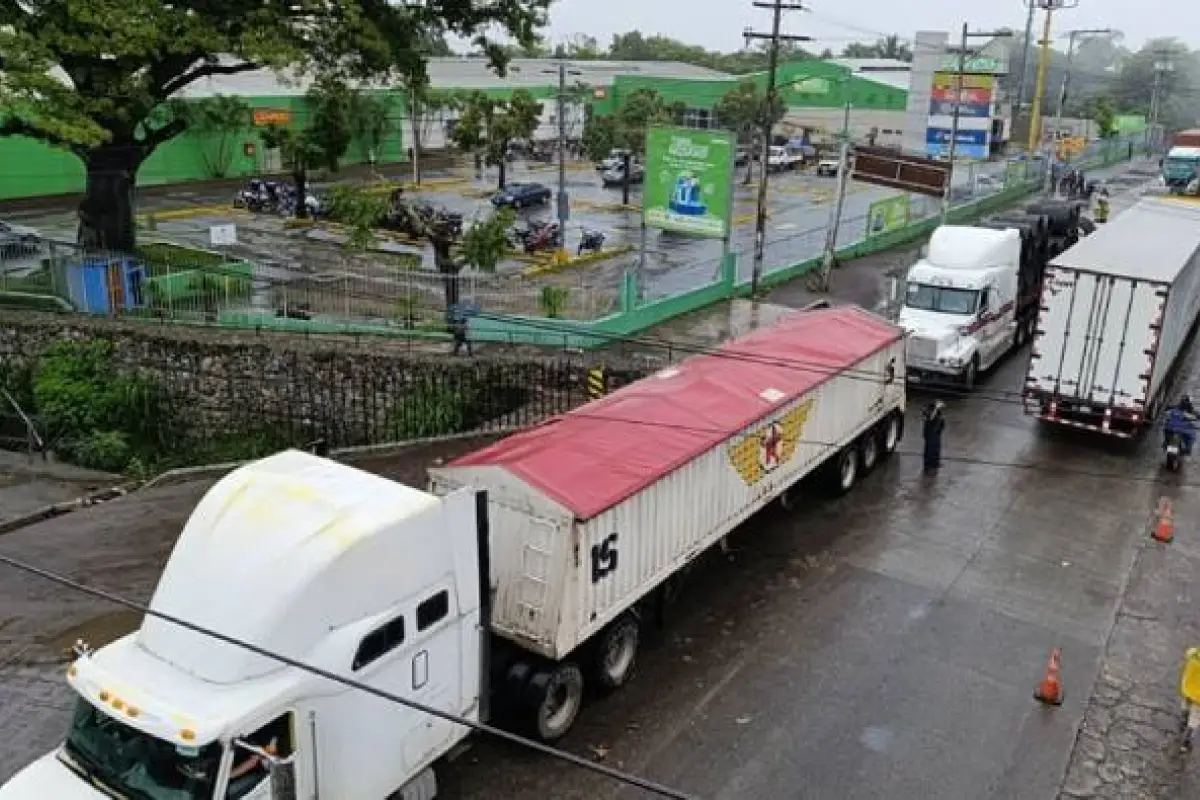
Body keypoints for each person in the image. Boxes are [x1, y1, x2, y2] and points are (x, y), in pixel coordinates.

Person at [1181, 648, 1200, 751]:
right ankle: (1185, 742)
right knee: (1195, 718)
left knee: (1185, 705)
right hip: (1199, 698)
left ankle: (1183, 717)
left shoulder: (1194, 654)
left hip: (1187, 689)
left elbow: (1188, 652)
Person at [922, 401, 946, 472]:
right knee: (930, 450)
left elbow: (941, 423)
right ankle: (928, 465)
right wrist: (936, 408)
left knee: (936, 449)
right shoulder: (928, 412)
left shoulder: (938, 413)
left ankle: (935, 463)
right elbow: (930, 418)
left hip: (936, 434)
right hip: (930, 434)